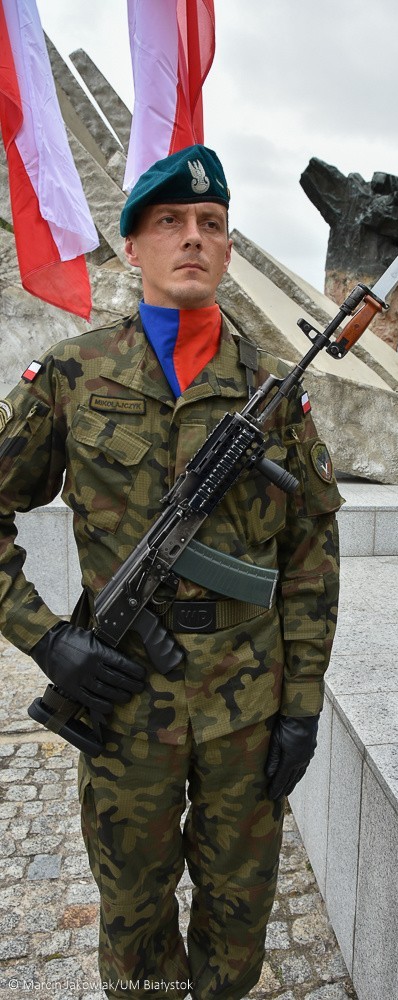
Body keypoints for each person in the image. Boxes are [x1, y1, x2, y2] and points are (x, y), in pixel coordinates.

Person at [0, 144, 343, 999]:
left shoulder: (272, 390)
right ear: (133, 248)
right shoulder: (72, 376)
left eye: (210, 224)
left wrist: (300, 709)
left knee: (238, 912)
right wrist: (48, 643)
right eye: (169, 223)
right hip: (120, 701)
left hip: (248, 710)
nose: (192, 237)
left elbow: (308, 561)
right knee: (133, 911)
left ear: (228, 249)